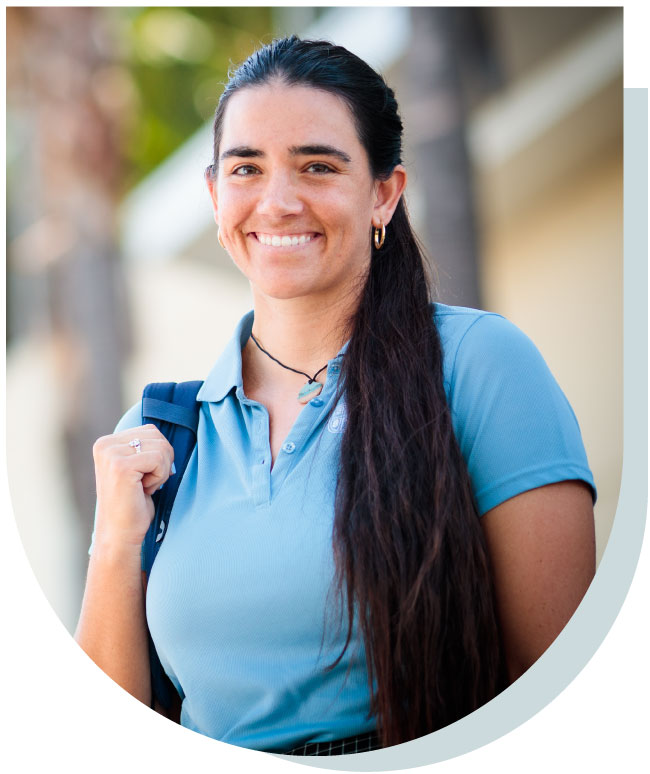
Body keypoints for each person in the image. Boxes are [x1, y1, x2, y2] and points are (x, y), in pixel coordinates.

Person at [75, 36, 596, 756]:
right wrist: (114, 544)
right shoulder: (162, 434)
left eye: (317, 166)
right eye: (246, 169)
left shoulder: (478, 366)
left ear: (384, 192)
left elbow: (559, 691)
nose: (279, 201)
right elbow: (106, 740)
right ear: (215, 196)